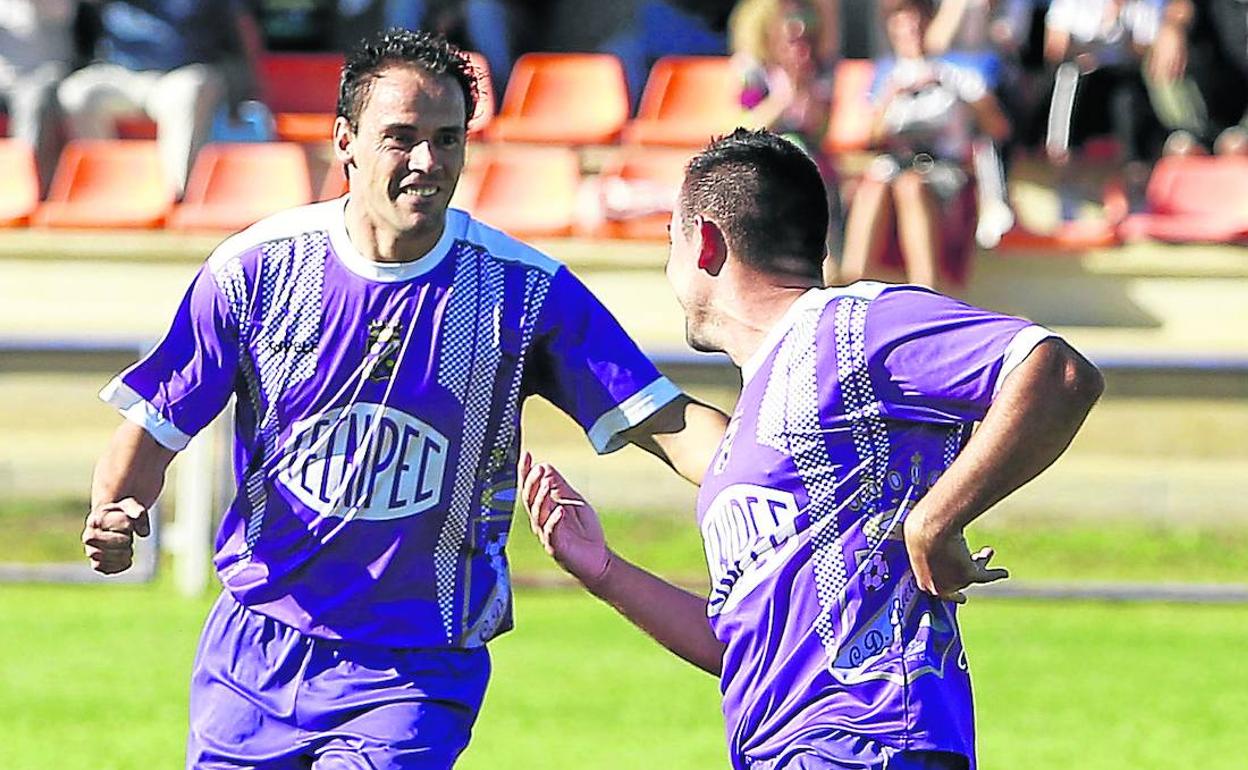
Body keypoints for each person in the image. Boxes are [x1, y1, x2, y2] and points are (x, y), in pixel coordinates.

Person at [82, 29, 727, 770]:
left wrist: (783, 479)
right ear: (346, 139)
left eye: (448, 140)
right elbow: (156, 422)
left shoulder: (523, 292)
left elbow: (667, 421)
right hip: (257, 647)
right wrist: (116, 511)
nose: (428, 162)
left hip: (416, 664)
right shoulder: (255, 271)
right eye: (403, 138)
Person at [521, 128, 1104, 770]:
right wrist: (604, 571)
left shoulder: (853, 323)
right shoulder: (752, 424)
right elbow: (748, 651)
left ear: (706, 243)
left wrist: (936, 521)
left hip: (869, 741)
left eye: (671, 242)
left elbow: (1055, 371)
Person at [840, 0, 1010, 288]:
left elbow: (998, 128)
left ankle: (925, 286)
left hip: (944, 170)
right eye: (903, 27)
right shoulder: (885, 76)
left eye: (917, 25)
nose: (911, 33)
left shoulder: (958, 71)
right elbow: (869, 138)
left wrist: (969, 97)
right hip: (896, 166)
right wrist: (891, 97)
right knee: (873, 184)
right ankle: (853, 280)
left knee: (912, 186)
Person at [57, 0, 261, 196]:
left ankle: (176, 194)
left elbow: (241, 27)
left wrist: (247, 85)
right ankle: (109, 183)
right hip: (122, 75)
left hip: (180, 75)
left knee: (190, 90)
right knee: (77, 93)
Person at [0, 0, 77, 193]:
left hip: (43, 77)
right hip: (5, 79)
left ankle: (24, 186)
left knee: (32, 103)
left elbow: (61, 12)